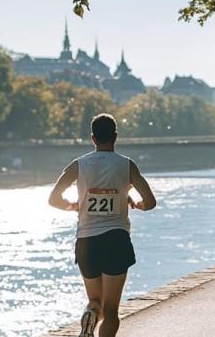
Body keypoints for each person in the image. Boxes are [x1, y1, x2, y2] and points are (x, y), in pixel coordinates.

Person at [48, 113, 156, 337]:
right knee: (111, 311)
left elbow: (53, 198)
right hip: (116, 239)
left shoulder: (78, 165)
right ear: (115, 137)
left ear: (92, 139)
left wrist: (73, 206)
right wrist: (136, 204)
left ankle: (89, 314)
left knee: (95, 302)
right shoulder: (126, 165)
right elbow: (150, 201)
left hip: (87, 241)